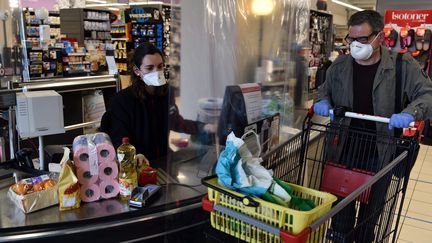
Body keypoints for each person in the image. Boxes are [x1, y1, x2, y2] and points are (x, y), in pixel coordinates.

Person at [313, 10, 432, 242]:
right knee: (341, 212)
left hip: (380, 150)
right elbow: (323, 90)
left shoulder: (402, 65)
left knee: (371, 213)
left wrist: (410, 113)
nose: (356, 45)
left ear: (379, 37)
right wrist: (322, 100)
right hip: (343, 148)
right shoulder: (341, 66)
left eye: (363, 39)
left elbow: (427, 95)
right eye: (352, 39)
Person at [103, 43, 212, 164]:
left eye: (160, 66)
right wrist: (135, 155)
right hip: (140, 164)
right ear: (137, 71)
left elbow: (175, 121)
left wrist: (203, 127)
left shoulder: (166, 93)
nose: (157, 71)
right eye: (149, 68)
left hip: (164, 161)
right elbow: (119, 137)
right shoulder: (122, 100)